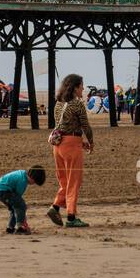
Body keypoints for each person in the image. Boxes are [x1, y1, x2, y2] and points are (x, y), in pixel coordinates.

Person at [47, 73, 93, 229]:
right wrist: (90, 142)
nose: (83, 89)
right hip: (71, 145)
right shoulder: (77, 104)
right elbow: (85, 126)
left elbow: (64, 126)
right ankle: (71, 217)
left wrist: (80, 142)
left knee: (64, 181)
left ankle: (55, 207)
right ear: (74, 88)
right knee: (74, 181)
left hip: (58, 144)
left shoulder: (58, 103)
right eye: (81, 86)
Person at [0, 166, 46, 235]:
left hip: (1, 190)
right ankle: (20, 227)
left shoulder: (22, 174)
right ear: (31, 177)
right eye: (34, 182)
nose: (33, 184)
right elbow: (18, 198)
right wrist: (24, 221)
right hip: (4, 191)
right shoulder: (22, 181)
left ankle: (10, 228)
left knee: (15, 208)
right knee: (21, 206)